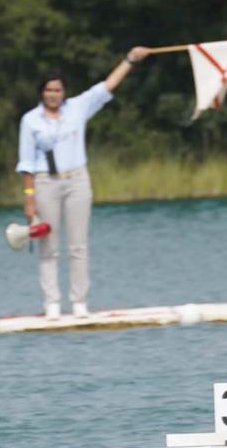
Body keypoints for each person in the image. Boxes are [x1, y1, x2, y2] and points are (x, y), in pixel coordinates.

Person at [17, 46, 151, 319]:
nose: (53, 95)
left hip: (77, 180)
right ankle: (51, 304)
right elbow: (27, 162)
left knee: (78, 245)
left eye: (57, 90)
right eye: (48, 90)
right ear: (41, 92)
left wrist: (129, 60)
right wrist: (29, 197)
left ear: (64, 92)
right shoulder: (30, 120)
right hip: (46, 184)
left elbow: (108, 86)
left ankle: (79, 301)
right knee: (49, 246)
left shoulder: (77, 108)